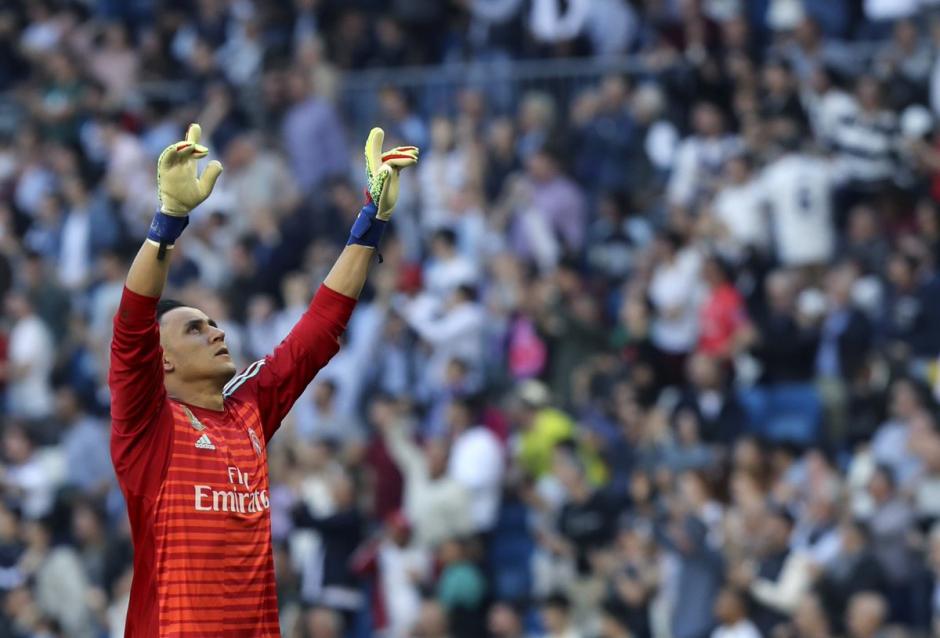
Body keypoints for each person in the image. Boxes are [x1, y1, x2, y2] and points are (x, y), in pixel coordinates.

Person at [108, 123, 418, 635]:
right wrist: (168, 222)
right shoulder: (146, 427)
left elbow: (318, 330)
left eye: (211, 321)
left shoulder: (248, 409)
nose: (214, 330)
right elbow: (131, 322)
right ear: (159, 361)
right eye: (193, 328)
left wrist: (372, 220)